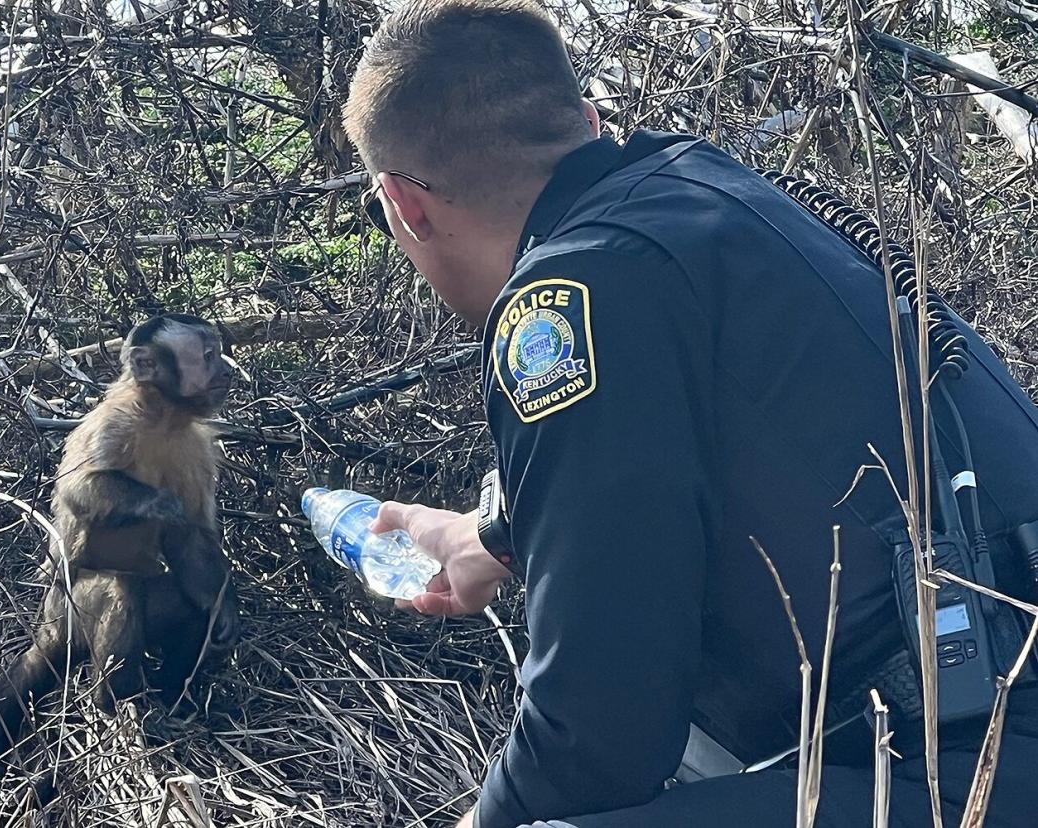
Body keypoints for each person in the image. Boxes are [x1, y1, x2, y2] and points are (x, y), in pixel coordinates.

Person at [341, 1, 1038, 826]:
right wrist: (491, 536)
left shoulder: (564, 304)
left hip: (972, 762)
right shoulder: (708, 193)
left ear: (402, 204)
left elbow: (598, 732)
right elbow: (724, 453)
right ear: (589, 124)